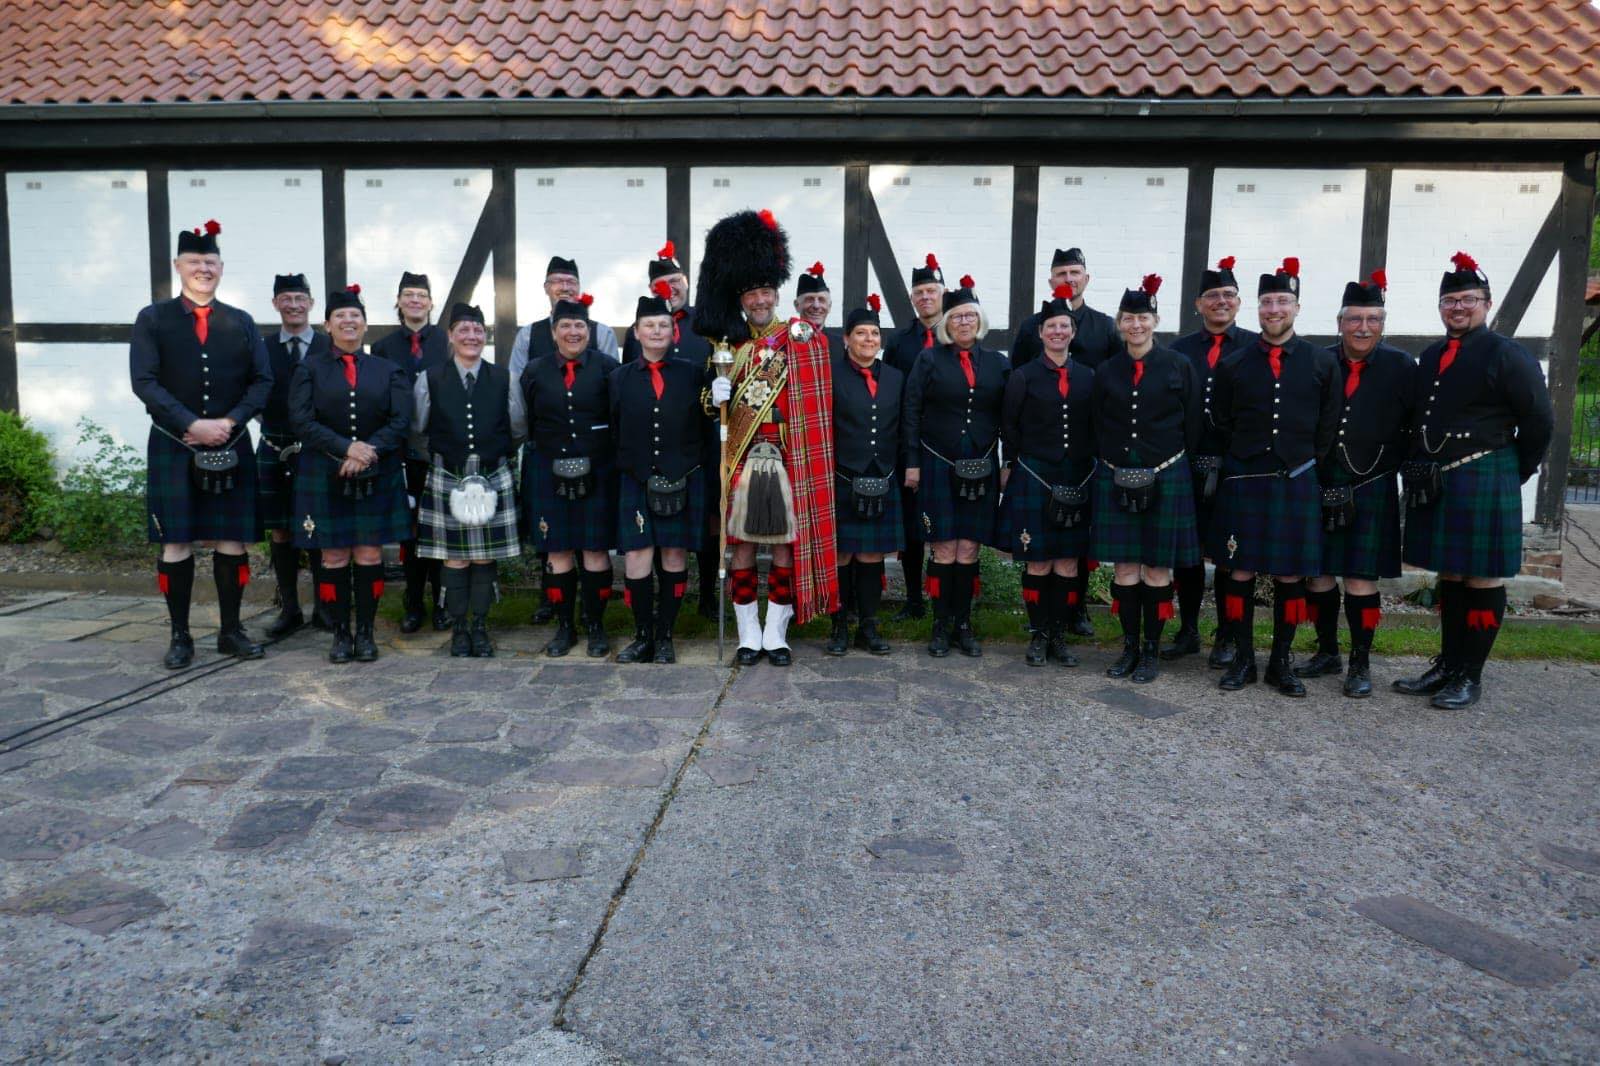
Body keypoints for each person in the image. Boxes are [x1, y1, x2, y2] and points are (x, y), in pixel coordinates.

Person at [1393, 251, 1554, 709]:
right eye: (1450, 300)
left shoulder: (1508, 354)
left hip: (1486, 473)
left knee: (1483, 578)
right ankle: (1447, 664)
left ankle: (1470, 675)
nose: (1458, 307)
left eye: (1468, 299)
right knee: (1451, 574)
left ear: (1487, 303)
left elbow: (1539, 422)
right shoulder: (1432, 356)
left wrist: (1514, 472)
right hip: (1441, 480)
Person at [698, 209, 839, 667]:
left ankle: (776, 633)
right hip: (740, 456)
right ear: (741, 299)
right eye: (751, 293)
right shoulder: (727, 346)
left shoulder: (800, 338)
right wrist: (715, 393)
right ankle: (748, 633)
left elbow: (815, 405)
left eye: (765, 291)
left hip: (786, 455)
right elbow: (707, 405)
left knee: (783, 545)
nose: (759, 299)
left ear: (777, 294)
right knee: (740, 546)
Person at [130, 219, 271, 668]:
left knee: (233, 541)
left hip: (231, 442)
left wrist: (228, 422)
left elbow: (262, 381)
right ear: (178, 266)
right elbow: (144, 381)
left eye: (211, 261)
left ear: (221, 268)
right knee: (176, 541)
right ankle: (180, 636)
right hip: (175, 444)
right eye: (194, 261)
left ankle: (231, 631)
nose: (203, 269)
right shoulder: (152, 319)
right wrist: (191, 423)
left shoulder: (241, 321)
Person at [1209, 258, 1342, 696]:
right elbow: (1222, 419)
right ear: (1258, 308)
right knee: (1239, 572)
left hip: (1296, 478)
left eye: (1283, 301)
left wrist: (1304, 460)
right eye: (1267, 302)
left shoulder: (1321, 363)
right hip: (1245, 479)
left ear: (1297, 307)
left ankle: (1281, 662)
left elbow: (1328, 423)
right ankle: (1243, 659)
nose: (1274, 310)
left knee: (1290, 576)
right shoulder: (1234, 364)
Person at [1292, 272, 1416, 697]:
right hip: (1322, 480)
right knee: (1318, 576)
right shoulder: (1320, 361)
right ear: (1340, 322)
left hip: (1372, 482)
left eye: (1373, 319)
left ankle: (1360, 662)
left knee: (1361, 580)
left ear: (1382, 323)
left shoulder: (1401, 366)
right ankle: (1327, 651)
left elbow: (1414, 423)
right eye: (1355, 319)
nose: (1363, 328)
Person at [1088, 276, 1203, 683]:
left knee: (1156, 570)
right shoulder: (1106, 371)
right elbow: (1096, 423)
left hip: (1166, 474)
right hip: (1116, 476)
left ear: (1155, 321)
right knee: (1125, 570)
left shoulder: (1178, 365)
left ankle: (1152, 650)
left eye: (1143, 317)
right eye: (1128, 318)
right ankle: (1130, 648)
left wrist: (1175, 465)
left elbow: (1192, 423)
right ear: (1120, 323)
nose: (1136, 325)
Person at [288, 285, 411, 664]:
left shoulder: (388, 370)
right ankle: (341, 633)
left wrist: (366, 451)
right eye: (340, 316)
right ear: (327, 325)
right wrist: (346, 448)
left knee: (370, 553)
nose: (348, 321)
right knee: (334, 555)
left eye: (355, 315)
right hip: (326, 471)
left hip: (376, 471)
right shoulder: (309, 369)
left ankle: (367, 633)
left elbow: (401, 420)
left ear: (365, 324)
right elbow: (301, 420)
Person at [411, 303, 527, 657]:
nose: (471, 336)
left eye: (477, 330)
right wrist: (445, 463)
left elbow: (518, 427)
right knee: (455, 558)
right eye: (463, 330)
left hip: (492, 476)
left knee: (484, 558)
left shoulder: (505, 378)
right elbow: (417, 429)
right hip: (448, 476)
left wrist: (492, 460)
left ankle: (480, 626)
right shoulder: (429, 378)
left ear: (485, 336)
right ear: (450, 336)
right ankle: (458, 628)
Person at [903, 276, 1009, 658]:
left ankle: (963, 625)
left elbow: (1009, 417)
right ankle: (940, 625)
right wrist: (912, 464)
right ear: (947, 322)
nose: (964, 322)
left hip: (982, 467)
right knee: (944, 547)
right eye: (957, 316)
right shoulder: (929, 359)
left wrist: (1007, 462)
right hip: (937, 463)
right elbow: (911, 411)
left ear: (979, 320)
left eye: (970, 316)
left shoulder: (998, 363)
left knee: (969, 548)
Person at [509, 256, 618, 626]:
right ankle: (565, 627)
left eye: (579, 325)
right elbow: (523, 413)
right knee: (557, 551)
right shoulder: (533, 370)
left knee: (595, 550)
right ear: (553, 332)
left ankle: (595, 625)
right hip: (547, 463)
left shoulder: (607, 367)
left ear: (588, 329)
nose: (573, 332)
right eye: (566, 326)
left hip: (597, 466)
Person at [1163, 255, 1258, 666]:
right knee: (1187, 553)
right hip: (1187, 462)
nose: (1221, 301)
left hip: (1237, 466)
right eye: (1213, 295)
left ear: (1238, 301)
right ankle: (1188, 631)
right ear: (1198, 304)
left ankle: (1228, 634)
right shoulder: (1178, 350)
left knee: (1229, 555)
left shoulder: (1256, 346)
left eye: (1228, 294)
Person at [620, 241, 721, 621]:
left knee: (709, 520)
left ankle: (707, 595)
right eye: (662, 284)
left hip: (702, 440)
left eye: (676, 280)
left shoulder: (705, 323)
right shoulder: (641, 330)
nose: (671, 287)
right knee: (655, 533)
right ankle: (658, 604)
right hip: (653, 447)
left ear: (685, 283)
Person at [611, 282, 708, 664]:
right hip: (635, 478)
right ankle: (642, 636)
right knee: (637, 557)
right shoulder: (618, 378)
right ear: (636, 332)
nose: (656, 331)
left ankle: (665, 636)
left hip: (681, 476)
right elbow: (613, 429)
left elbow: (707, 424)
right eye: (649, 325)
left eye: (663, 325)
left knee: (674, 554)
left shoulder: (694, 374)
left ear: (673, 331)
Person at [999, 284, 1096, 667]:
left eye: (1064, 326)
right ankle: (1038, 634)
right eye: (1051, 326)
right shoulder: (1022, 376)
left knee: (1068, 563)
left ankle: (1059, 635)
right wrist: (1010, 465)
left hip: (1077, 477)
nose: (1058, 332)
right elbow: (1009, 426)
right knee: (1037, 561)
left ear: (1073, 331)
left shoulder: (1089, 376)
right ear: (1040, 333)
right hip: (1034, 474)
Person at [370, 271, 451, 634]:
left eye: (421, 295)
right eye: (408, 295)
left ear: (431, 303)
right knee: (411, 533)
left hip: (439, 451)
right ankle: (414, 603)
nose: (415, 300)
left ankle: (443, 604)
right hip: (398, 451)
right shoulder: (384, 347)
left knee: (440, 531)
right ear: (399, 302)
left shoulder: (446, 342)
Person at [256, 272, 331, 638]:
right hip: (274, 444)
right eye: (286, 299)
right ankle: (289, 610)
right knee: (281, 529)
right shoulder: (262, 347)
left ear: (311, 304)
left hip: (317, 448)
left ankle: (324, 609)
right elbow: (251, 392)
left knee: (317, 527)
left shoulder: (329, 345)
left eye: (300, 298)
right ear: (275, 304)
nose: (294, 305)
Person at [827, 294, 903, 656]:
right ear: (846, 338)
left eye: (874, 333)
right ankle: (839, 625)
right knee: (842, 555)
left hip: (882, 476)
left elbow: (906, 425)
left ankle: (868, 627)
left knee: (872, 555)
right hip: (842, 476)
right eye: (860, 333)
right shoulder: (831, 375)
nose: (868, 339)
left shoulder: (895, 377)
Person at [883, 252, 947, 622]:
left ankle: (943, 600)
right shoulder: (899, 342)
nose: (925, 297)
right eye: (919, 292)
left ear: (942, 293)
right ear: (911, 298)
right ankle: (913, 600)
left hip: (945, 445)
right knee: (911, 527)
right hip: (908, 445)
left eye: (931, 291)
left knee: (944, 526)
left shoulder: (955, 337)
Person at [1011, 246, 1120, 370]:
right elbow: (1017, 374)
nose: (1068, 279)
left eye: (1075, 272)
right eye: (1061, 274)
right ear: (1051, 283)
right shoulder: (1030, 327)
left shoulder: (1106, 327)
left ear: (1086, 279)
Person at [794, 261, 842, 353]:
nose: (816, 305)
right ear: (797, 305)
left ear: (829, 306)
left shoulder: (842, 346)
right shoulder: (782, 342)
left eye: (821, 300)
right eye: (809, 299)